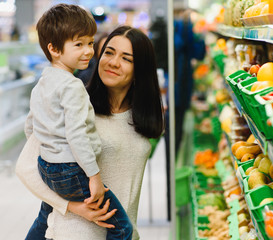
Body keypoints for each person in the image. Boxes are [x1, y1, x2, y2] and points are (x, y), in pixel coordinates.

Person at [16, 24, 164, 240]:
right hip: (73, 233)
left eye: (127, 58)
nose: (113, 62)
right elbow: (26, 168)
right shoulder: (73, 105)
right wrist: (72, 207)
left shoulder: (138, 118)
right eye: (109, 53)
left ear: (140, 70)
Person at [23, 4, 133, 240]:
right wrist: (94, 176)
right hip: (72, 169)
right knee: (122, 228)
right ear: (53, 48)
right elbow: (76, 134)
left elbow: (30, 126)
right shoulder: (72, 86)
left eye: (90, 43)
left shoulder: (42, 83)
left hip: (47, 166)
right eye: (79, 44)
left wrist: (48, 151)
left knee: (45, 214)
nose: (88, 51)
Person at [163, 7, 206, 220]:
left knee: (176, 140)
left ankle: (174, 197)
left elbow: (198, 52)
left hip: (180, 91)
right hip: (176, 94)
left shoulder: (183, 29)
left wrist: (196, 30)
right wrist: (190, 27)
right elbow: (189, 49)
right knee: (174, 140)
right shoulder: (176, 29)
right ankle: (173, 201)